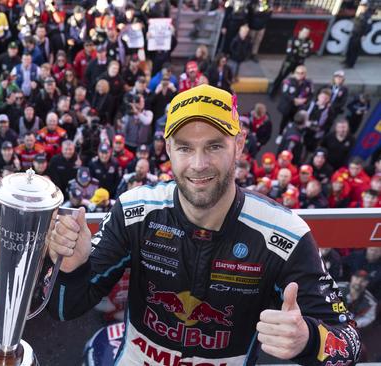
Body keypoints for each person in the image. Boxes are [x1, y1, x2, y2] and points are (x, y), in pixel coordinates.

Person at [44, 84, 360, 364]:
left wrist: (309, 340)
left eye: (214, 146)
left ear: (239, 144)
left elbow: (349, 342)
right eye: (185, 147)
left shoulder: (286, 235)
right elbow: (63, 310)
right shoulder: (134, 210)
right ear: (168, 148)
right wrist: (72, 269)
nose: (198, 164)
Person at [270, 27, 313, 96]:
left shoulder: (309, 42)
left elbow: (308, 53)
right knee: (281, 76)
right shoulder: (292, 39)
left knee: (299, 78)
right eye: (304, 32)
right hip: (289, 62)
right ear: (300, 32)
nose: (305, 34)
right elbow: (289, 51)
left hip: (299, 63)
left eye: (307, 33)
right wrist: (301, 52)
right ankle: (273, 90)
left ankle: (295, 92)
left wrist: (297, 52)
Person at [343, 0, 373, 69]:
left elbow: (369, 27)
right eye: (361, 5)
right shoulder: (360, 13)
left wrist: (364, 35)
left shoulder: (367, 15)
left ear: (366, 6)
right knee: (350, 47)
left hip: (359, 35)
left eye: (363, 6)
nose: (361, 7)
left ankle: (350, 64)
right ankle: (347, 60)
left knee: (354, 49)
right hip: (354, 33)